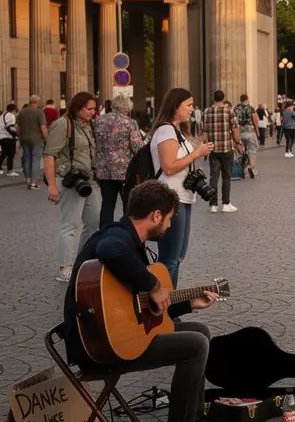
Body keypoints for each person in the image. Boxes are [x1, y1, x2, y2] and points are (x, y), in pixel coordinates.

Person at [64, 180, 227, 422]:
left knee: (200, 330)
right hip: (101, 346)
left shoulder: (131, 243)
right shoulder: (117, 238)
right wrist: (153, 284)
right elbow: (110, 252)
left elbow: (142, 308)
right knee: (195, 345)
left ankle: (192, 419)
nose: (170, 226)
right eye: (169, 219)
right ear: (155, 216)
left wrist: (188, 303)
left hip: (112, 334)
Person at [151, 88, 215, 286]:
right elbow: (169, 167)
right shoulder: (166, 131)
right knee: (170, 258)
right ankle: (162, 308)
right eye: (188, 105)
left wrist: (198, 149)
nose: (192, 109)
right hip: (171, 199)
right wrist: (196, 153)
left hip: (182, 198)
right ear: (175, 106)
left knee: (178, 256)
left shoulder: (176, 131)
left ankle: (170, 305)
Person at [43, 91, 101, 282]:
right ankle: (64, 267)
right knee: (71, 225)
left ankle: (83, 262)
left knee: (93, 222)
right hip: (71, 182)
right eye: (89, 108)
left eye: (94, 109)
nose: (93, 112)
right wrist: (52, 185)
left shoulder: (86, 125)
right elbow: (49, 155)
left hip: (89, 181)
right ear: (77, 107)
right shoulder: (62, 124)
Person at [92, 93, 145, 228]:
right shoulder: (129, 123)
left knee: (107, 205)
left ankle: (104, 235)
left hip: (104, 171)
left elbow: (94, 143)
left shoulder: (99, 120)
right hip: (124, 172)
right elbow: (137, 147)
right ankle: (126, 234)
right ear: (127, 108)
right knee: (128, 206)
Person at [202, 90, 241, 213]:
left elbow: (203, 131)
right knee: (226, 177)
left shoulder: (206, 112)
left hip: (213, 149)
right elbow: (235, 129)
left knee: (213, 177)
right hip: (226, 148)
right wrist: (238, 142)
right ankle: (226, 203)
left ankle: (213, 205)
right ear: (223, 98)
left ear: (213, 98)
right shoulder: (229, 111)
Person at [16, 94, 48, 189]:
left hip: (24, 138)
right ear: (38, 102)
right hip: (36, 139)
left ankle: (28, 179)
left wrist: (20, 136)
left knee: (27, 158)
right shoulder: (39, 112)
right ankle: (34, 182)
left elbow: (17, 127)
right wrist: (47, 138)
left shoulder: (22, 112)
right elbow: (43, 127)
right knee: (35, 160)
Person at [234, 94, 259, 179]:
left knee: (241, 152)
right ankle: (251, 167)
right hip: (250, 132)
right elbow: (255, 120)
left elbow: (234, 121)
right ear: (247, 99)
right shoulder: (251, 108)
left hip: (240, 132)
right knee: (252, 150)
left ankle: (241, 170)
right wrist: (257, 132)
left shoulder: (236, 109)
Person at [1, 102, 17, 176]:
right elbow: (11, 127)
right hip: (8, 137)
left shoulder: (2, 115)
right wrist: (16, 135)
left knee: (4, 153)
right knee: (11, 154)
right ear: (13, 109)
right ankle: (10, 170)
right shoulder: (11, 116)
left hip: (1, 136)